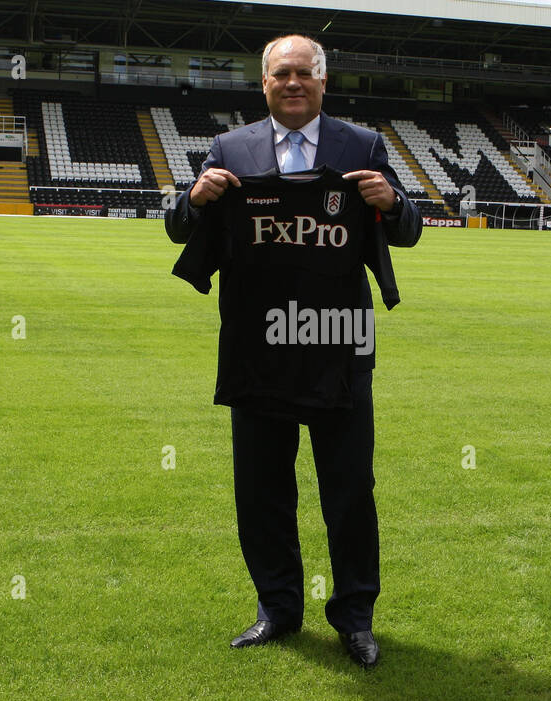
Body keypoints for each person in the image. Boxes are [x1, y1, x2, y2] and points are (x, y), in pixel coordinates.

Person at [167, 34, 422, 668]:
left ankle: (355, 618)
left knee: (349, 492)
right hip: (257, 346)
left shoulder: (361, 146)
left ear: (322, 82)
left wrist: (392, 203)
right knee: (260, 493)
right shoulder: (230, 149)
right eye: (281, 74)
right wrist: (195, 200)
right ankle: (277, 609)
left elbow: (408, 231)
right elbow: (178, 227)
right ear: (264, 84)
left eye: (304, 73)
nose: (293, 83)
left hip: (338, 342)